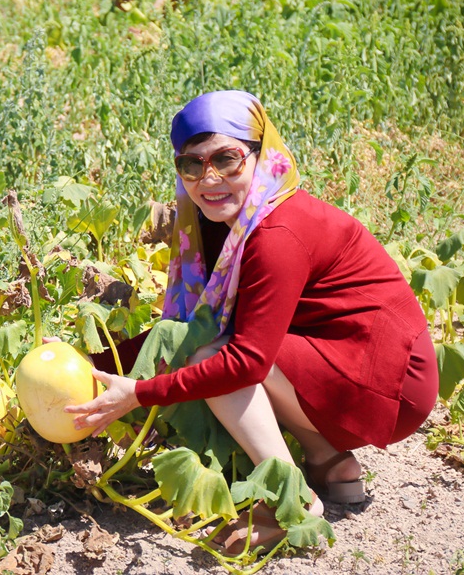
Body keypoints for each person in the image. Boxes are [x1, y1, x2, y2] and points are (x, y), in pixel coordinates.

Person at [65, 90, 438, 552]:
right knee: (222, 344)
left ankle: (293, 502)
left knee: (219, 356)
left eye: (227, 158)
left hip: (394, 381)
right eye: (192, 164)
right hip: (355, 356)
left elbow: (244, 363)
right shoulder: (233, 221)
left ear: (261, 156)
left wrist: (139, 393)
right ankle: (328, 461)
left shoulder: (276, 232)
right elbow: (187, 329)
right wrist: (89, 364)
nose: (209, 178)